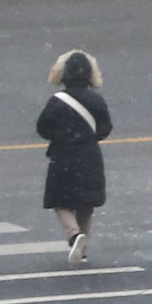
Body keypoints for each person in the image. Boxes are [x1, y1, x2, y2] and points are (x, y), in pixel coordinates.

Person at [37, 50, 111, 264]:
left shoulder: (57, 101)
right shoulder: (96, 100)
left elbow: (42, 128)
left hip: (63, 155)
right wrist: (89, 137)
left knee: (60, 201)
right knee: (86, 203)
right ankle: (83, 248)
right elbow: (105, 127)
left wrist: (60, 136)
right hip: (89, 155)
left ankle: (73, 234)